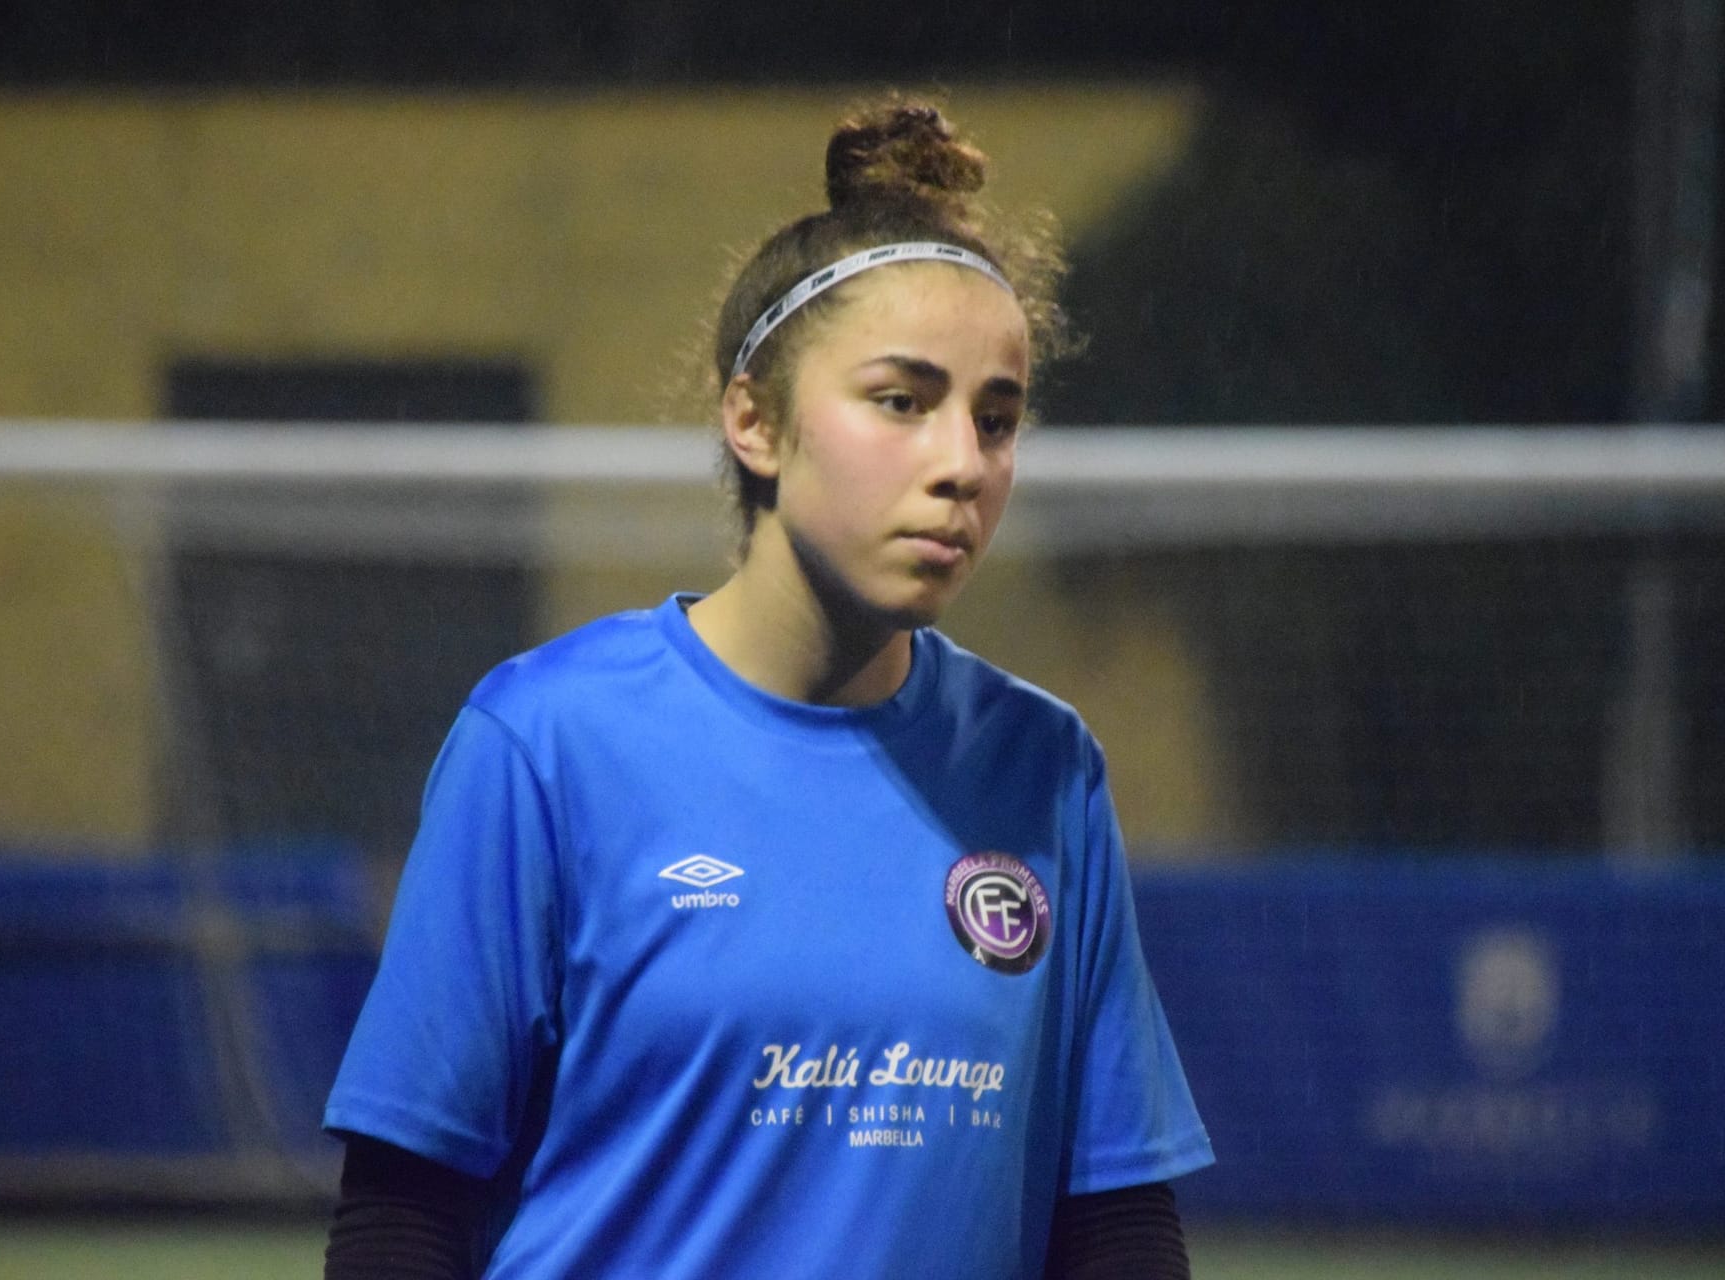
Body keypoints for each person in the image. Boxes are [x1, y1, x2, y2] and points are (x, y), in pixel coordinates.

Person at [322, 98, 1213, 1279]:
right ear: (755, 418)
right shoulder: (546, 741)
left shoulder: (1043, 769)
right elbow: (402, 1218)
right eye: (902, 400)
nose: (963, 463)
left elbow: (1114, 1224)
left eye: (996, 419)